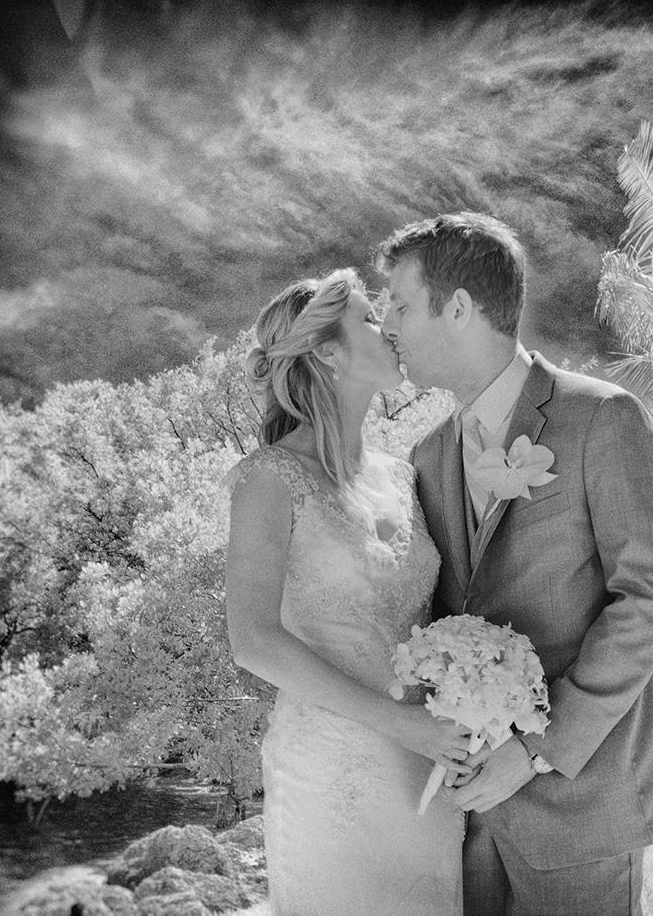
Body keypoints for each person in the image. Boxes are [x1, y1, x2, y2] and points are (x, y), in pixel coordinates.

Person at [377, 212, 653, 916]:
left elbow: (650, 600)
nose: (387, 325)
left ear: (458, 307)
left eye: (400, 303)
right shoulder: (427, 456)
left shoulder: (602, 419)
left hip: (584, 799)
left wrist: (532, 750)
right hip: (466, 817)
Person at [223, 269, 471, 916]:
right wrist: (402, 725)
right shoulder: (269, 479)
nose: (388, 327)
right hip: (331, 778)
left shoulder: (405, 474)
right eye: (368, 318)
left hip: (427, 774)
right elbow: (251, 639)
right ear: (327, 351)